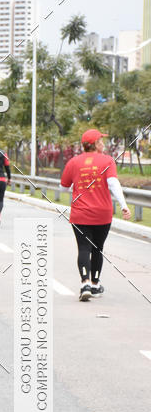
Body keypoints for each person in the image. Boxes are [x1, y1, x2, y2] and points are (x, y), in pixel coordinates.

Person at [61, 129, 131, 301]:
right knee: (98, 249)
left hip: (80, 214)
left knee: (83, 248)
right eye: (101, 140)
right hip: (102, 214)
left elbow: (63, 187)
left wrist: (77, 187)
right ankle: (95, 284)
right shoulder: (107, 160)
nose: (103, 143)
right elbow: (113, 184)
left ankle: (84, 283)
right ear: (95, 144)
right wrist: (124, 205)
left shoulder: (73, 162)